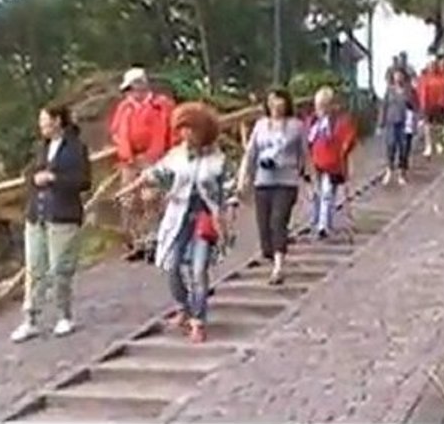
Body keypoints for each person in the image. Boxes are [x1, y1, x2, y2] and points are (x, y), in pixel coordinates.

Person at [113, 102, 228, 343]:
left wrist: (225, 217)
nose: (186, 133)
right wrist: (130, 190)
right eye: (182, 128)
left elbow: (224, 190)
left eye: (191, 128)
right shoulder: (176, 156)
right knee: (172, 265)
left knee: (198, 269)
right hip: (178, 218)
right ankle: (183, 306)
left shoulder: (216, 158)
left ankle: (198, 320)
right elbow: (154, 174)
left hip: (204, 219)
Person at [11, 104, 92, 343]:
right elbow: (28, 174)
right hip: (38, 213)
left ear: (58, 121)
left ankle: (63, 315)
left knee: (60, 268)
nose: (42, 126)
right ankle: (31, 319)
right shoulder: (40, 148)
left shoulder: (76, 148)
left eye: (45, 121)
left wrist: (55, 178)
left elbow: (84, 181)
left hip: (63, 214)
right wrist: (34, 179)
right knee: (34, 268)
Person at [236, 87, 309, 285]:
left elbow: (304, 153)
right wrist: (243, 178)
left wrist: (307, 173)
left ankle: (279, 267)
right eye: (272, 102)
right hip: (263, 180)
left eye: (279, 101)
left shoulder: (297, 126)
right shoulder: (260, 125)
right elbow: (251, 153)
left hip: (286, 180)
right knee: (264, 228)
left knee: (278, 221)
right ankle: (272, 253)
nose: (276, 106)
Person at [109, 67, 175, 263]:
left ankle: (156, 240)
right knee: (129, 200)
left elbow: (170, 131)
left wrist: (162, 157)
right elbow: (115, 132)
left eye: (132, 88)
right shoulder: (124, 108)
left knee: (151, 198)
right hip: (130, 160)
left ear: (142, 86)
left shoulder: (161, 105)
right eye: (128, 90)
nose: (130, 93)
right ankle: (138, 242)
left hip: (155, 158)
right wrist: (125, 153)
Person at [306, 86, 358, 239]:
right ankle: (317, 220)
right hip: (316, 162)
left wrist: (345, 147)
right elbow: (307, 139)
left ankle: (323, 224)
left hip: (333, 163)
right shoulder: (313, 121)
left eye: (324, 105)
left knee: (328, 193)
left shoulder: (339, 121)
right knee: (317, 193)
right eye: (319, 106)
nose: (320, 109)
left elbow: (349, 137)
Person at [379, 68, 416, 185]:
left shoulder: (409, 91)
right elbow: (384, 106)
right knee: (390, 146)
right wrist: (381, 122)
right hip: (391, 122)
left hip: (405, 123)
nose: (398, 77)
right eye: (396, 75)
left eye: (400, 75)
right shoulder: (389, 91)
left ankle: (402, 173)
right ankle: (389, 170)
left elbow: (415, 106)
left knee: (404, 148)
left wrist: (415, 122)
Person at [417, 54, 444, 158]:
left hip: (440, 104)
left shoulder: (442, 76)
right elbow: (421, 91)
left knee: (440, 126)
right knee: (428, 126)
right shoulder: (424, 77)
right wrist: (422, 105)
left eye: (434, 64)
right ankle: (428, 145)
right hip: (428, 105)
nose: (432, 66)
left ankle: (438, 143)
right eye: (430, 64)